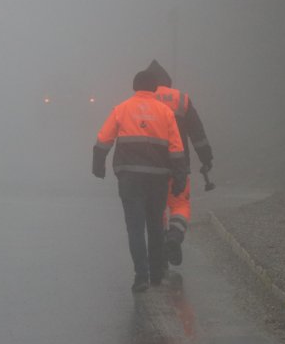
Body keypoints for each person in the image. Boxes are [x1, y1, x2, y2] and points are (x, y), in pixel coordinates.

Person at [92, 70, 187, 293]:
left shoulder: (122, 109)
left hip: (130, 178)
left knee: (135, 228)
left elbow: (103, 139)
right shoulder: (165, 112)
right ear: (155, 88)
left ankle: (141, 276)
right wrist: (180, 177)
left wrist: (98, 166)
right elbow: (176, 148)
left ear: (135, 86)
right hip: (158, 179)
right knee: (155, 226)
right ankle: (156, 274)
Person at [145, 60, 214, 268]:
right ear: (168, 81)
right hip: (179, 164)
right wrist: (206, 158)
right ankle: (174, 236)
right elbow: (197, 133)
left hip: (152, 164)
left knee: (156, 206)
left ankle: (161, 241)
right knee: (180, 204)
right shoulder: (181, 99)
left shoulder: (143, 101)